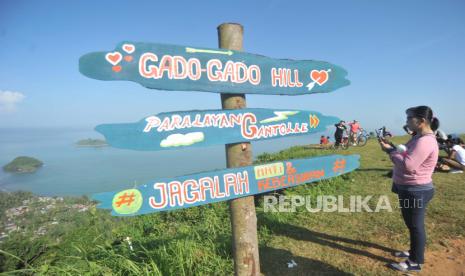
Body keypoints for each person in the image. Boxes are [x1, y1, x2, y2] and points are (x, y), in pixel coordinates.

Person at [378, 106, 439, 272]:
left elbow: (409, 165)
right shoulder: (418, 137)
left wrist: (389, 151)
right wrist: (391, 148)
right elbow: (406, 155)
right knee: (413, 224)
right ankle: (414, 252)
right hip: (410, 188)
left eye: (409, 119)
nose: (406, 122)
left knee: (415, 225)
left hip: (415, 190)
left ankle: (415, 261)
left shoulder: (425, 141)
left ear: (421, 121)